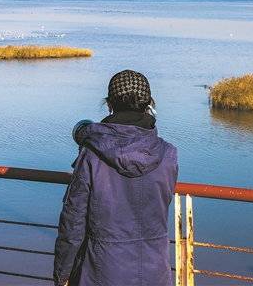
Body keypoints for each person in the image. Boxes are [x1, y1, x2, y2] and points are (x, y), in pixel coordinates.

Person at [53, 70, 178, 286]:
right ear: (149, 104)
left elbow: (73, 221)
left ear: (109, 104)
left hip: (101, 271)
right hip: (155, 271)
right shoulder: (168, 154)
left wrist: (61, 273)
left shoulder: (92, 154)